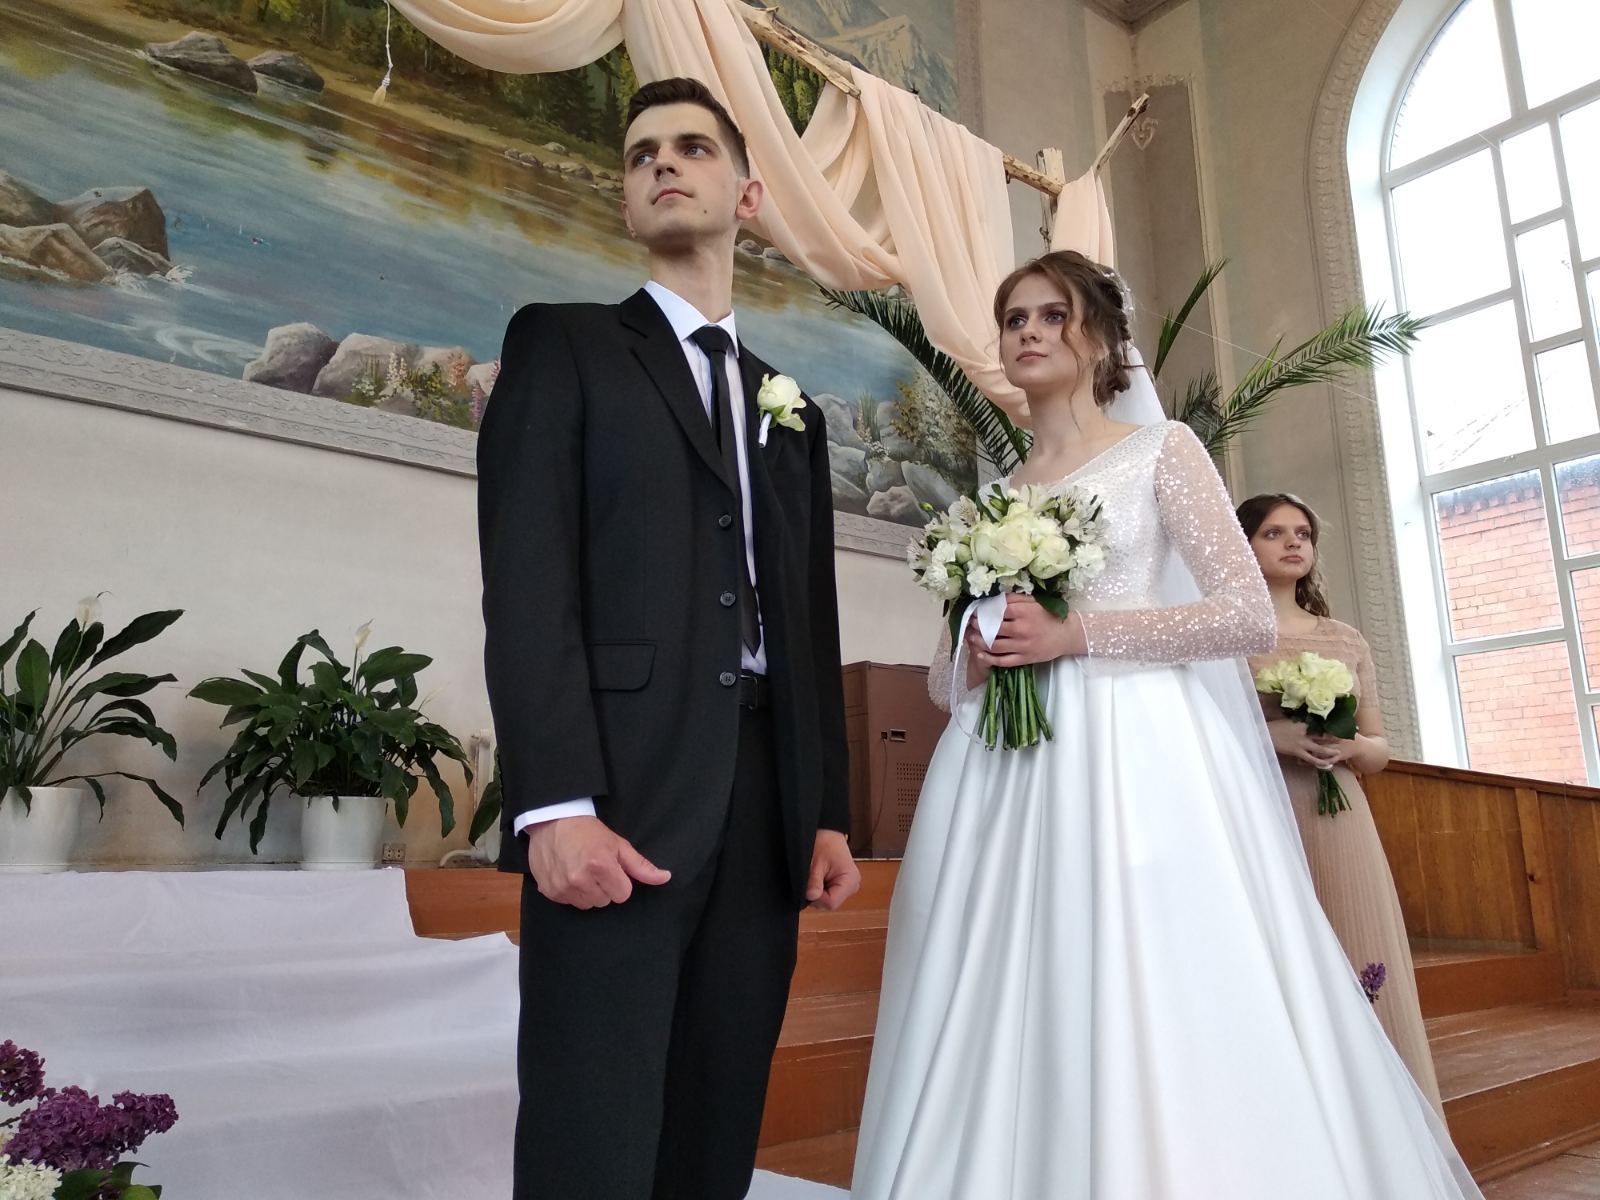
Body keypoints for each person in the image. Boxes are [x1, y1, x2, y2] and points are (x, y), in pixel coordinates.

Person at [850, 250, 1480, 1198]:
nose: (1028, 332)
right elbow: (945, 680)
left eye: (1052, 315)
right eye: (1014, 318)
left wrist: (1077, 633)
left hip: (1134, 752)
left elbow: (1245, 616)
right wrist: (979, 654)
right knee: (1003, 976)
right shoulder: (995, 496)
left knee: (1143, 966)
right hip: (1004, 770)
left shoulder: (1162, 450)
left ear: (1101, 338)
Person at [476, 76, 861, 1200]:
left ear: (746, 196)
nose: (662, 164)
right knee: (592, 1121)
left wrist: (824, 807)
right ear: (628, 196)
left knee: (715, 1114)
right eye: (642, 153)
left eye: (692, 147)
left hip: (765, 800)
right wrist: (553, 804)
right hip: (622, 788)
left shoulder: (790, 406)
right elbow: (527, 581)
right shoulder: (563, 345)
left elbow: (809, 613)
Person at [1240, 491, 1444, 1114]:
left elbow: (1380, 749)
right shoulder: (1229, 636)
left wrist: (1347, 743)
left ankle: (1375, 1108)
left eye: (1302, 533)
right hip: (1258, 804)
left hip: (1339, 811)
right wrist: (1274, 736)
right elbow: (1197, 733)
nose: (1293, 542)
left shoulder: (1345, 639)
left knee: (1354, 936)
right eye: (1273, 533)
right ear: (1241, 544)